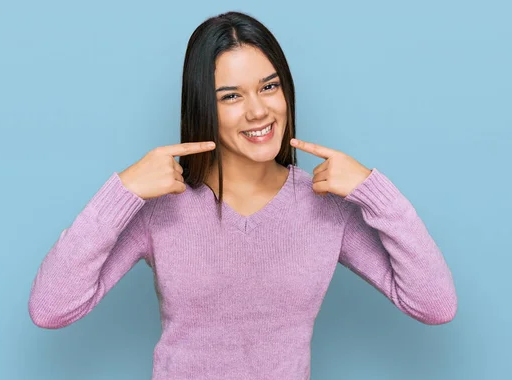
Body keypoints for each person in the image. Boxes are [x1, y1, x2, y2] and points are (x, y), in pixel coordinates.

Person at [28, 11, 457, 380]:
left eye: (268, 87)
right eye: (231, 96)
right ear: (204, 107)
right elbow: (52, 308)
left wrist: (375, 193)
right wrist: (119, 192)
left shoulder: (326, 206)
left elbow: (433, 303)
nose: (257, 111)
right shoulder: (160, 206)